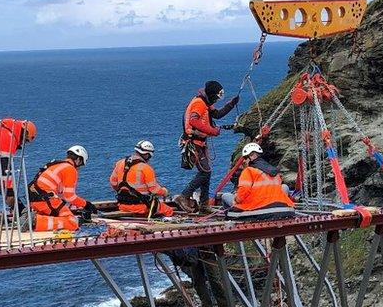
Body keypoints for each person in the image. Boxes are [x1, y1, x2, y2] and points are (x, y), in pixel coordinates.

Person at [176, 80, 239, 213]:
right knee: (205, 172)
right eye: (216, 98)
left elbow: (217, 114)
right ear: (211, 95)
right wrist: (212, 131)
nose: (216, 101)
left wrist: (231, 105)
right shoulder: (199, 103)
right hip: (194, 143)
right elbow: (193, 120)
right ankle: (184, 196)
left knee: (207, 172)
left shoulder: (205, 101)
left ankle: (204, 204)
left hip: (200, 143)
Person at [27, 145, 96, 232]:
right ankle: (35, 222)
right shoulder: (70, 169)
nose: (79, 168)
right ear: (78, 160)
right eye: (81, 164)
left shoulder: (56, 164)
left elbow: (61, 194)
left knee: (56, 215)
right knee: (72, 222)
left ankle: (35, 217)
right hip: (46, 198)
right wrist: (86, 204)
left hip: (35, 198)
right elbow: (70, 196)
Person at [219, 143, 295, 220]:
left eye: (245, 158)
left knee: (225, 196)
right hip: (284, 210)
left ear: (252, 156)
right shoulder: (274, 171)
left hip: (259, 211)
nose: (244, 161)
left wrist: (236, 199)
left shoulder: (249, 171)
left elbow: (243, 193)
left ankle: (229, 220)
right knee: (284, 187)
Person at [109, 140, 175, 217]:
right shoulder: (146, 168)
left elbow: (113, 182)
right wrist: (164, 192)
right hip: (141, 206)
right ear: (147, 155)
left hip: (122, 205)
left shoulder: (120, 163)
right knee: (168, 211)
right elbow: (154, 190)